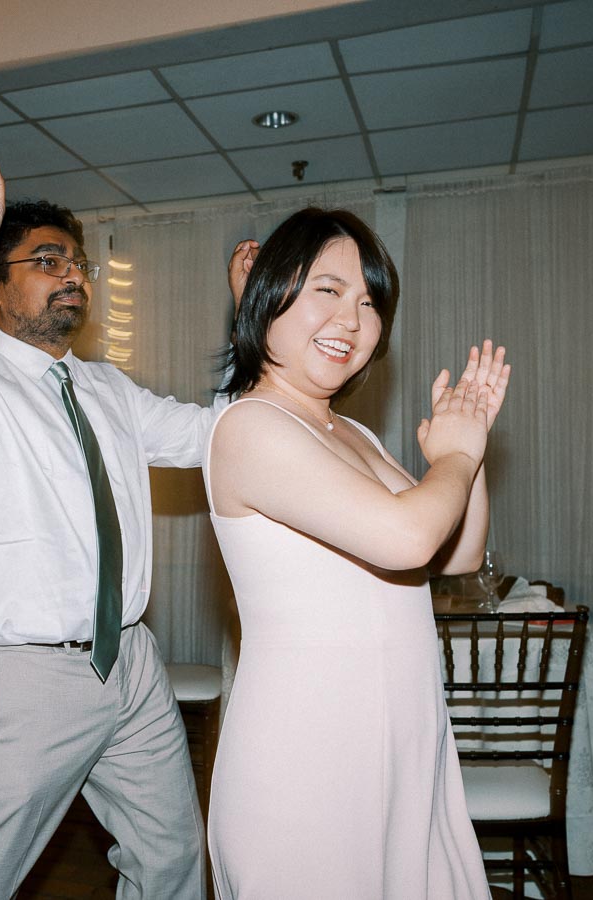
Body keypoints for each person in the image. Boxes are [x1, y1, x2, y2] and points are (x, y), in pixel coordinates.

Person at [0, 158, 244, 899]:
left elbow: (219, 437)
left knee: (172, 858)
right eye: (48, 261)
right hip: (25, 677)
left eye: (79, 264)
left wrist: (254, 322)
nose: (73, 276)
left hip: (131, 660)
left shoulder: (106, 385)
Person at [203, 207, 509, 898]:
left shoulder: (353, 433)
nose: (352, 319)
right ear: (269, 295)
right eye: (328, 290)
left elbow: (458, 554)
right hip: (310, 752)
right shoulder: (250, 425)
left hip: (399, 738)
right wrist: (454, 458)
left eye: (369, 303)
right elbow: (409, 537)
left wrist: (472, 448)